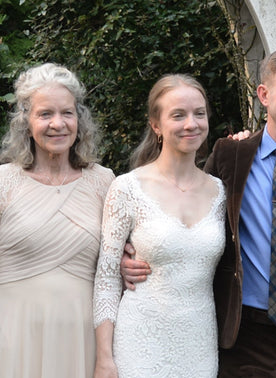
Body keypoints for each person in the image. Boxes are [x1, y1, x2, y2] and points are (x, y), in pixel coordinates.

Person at [122, 48, 276, 377]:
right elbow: (191, 225)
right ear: (264, 95)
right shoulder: (229, 157)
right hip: (242, 338)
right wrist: (137, 258)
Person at [0, 63, 113, 377]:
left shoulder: (105, 182)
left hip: (80, 340)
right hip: (11, 339)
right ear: (25, 123)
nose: (57, 124)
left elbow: (113, 271)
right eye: (45, 114)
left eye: (67, 113)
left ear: (80, 120)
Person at [92, 74, 226, 378]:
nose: (191, 123)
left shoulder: (220, 192)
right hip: (139, 342)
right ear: (156, 125)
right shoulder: (127, 188)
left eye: (199, 113)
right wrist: (104, 359)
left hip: (199, 344)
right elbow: (106, 279)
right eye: (178, 115)